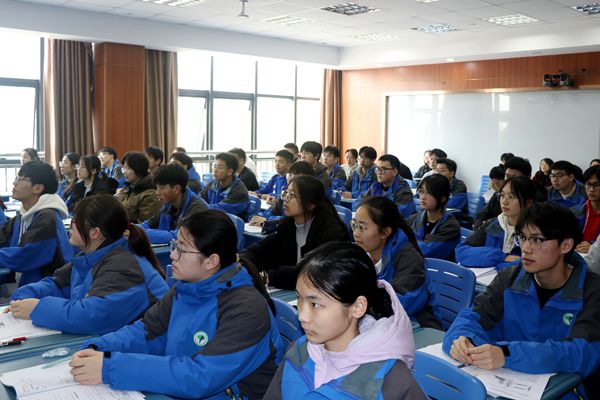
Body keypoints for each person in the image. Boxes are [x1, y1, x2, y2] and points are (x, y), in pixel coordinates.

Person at [69, 209, 285, 399]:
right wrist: (100, 348)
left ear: (211, 261)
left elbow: (200, 377)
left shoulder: (246, 309)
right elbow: (147, 331)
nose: (172, 254)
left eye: (181, 248)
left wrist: (110, 368)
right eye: (174, 245)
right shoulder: (186, 288)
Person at [443, 202, 600, 397]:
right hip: (507, 385)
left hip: (566, 391)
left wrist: (507, 353)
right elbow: (472, 316)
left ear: (565, 245)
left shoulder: (592, 291)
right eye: (523, 238)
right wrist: (462, 340)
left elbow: (581, 353)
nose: (525, 248)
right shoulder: (510, 278)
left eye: (536, 240)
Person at [264, 242, 425, 400]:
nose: (302, 316)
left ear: (357, 307)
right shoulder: (298, 352)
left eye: (316, 304)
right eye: (300, 298)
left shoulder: (390, 380)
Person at [6, 195, 168, 334]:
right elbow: (58, 284)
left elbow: (91, 317)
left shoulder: (124, 266)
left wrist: (38, 308)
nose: (70, 225)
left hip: (146, 347)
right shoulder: (90, 257)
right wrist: (24, 296)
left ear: (94, 233)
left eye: (75, 221)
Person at [240, 175, 349, 289]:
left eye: (292, 195)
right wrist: (242, 262)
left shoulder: (332, 232)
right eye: (286, 193)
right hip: (291, 289)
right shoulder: (287, 225)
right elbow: (258, 250)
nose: (285, 199)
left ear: (311, 204)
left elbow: (312, 272)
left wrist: (268, 277)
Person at [353, 197, 438, 328]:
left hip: (416, 323)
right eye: (354, 225)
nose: (356, 233)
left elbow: (397, 304)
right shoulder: (362, 251)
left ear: (385, 232)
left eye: (362, 227)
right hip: (379, 319)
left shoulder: (409, 259)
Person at [0, 161, 73, 287]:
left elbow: (25, 256)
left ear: (37, 188)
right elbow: (3, 237)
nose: (14, 183)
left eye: (20, 179)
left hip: (48, 288)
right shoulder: (24, 215)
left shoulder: (47, 218)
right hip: (26, 283)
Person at [455, 177, 536, 270]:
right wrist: (501, 257)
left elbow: (529, 265)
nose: (504, 201)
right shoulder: (492, 225)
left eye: (511, 197)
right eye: (502, 195)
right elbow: (461, 251)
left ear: (528, 202)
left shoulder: (535, 233)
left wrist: (491, 261)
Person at [139, 163, 208, 244]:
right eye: (157, 187)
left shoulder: (197, 209)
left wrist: (140, 233)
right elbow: (150, 224)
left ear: (176, 189)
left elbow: (179, 237)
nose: (157, 192)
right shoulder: (168, 205)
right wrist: (131, 228)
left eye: (161, 188)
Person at [474, 156, 546, 229]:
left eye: (514, 177)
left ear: (528, 178)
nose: (509, 180)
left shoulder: (538, 202)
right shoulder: (499, 194)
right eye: (507, 176)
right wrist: (481, 227)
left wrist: (491, 224)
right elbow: (481, 215)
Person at [408, 174, 461, 260]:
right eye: (421, 191)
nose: (423, 197)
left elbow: (426, 250)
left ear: (442, 198)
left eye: (429, 193)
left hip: (438, 267)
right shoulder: (416, 217)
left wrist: (403, 244)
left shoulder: (450, 226)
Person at [249, 160, 315, 225]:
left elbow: (290, 222)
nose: (286, 199)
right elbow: (272, 211)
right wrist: (257, 217)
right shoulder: (284, 194)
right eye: (289, 176)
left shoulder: (309, 199)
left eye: (292, 195)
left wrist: (268, 221)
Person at [354, 154, 415, 218]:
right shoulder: (376, 186)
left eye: (383, 169)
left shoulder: (403, 190)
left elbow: (401, 213)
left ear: (394, 172)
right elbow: (359, 202)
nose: (379, 172)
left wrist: (372, 213)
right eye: (377, 169)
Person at [200, 152, 249, 220]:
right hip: (213, 220)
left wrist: (198, 207)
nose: (215, 170)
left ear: (230, 172)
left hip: (231, 224)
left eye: (219, 167)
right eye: (214, 166)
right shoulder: (212, 185)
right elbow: (198, 199)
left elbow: (220, 210)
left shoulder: (239, 191)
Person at [117, 151, 161, 223]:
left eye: (128, 169)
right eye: (123, 168)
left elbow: (144, 224)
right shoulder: (129, 187)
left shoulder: (150, 193)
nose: (124, 172)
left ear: (139, 169)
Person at [573, 166, 600, 254]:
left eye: (597, 185)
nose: (591, 189)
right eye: (588, 184)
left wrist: (593, 246)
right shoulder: (575, 212)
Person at [434, 158, 468, 222]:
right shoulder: (436, 184)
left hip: (455, 220)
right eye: (437, 170)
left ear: (451, 173)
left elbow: (452, 205)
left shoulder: (459, 186)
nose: (438, 174)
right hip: (438, 217)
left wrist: (432, 203)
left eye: (442, 171)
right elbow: (419, 196)